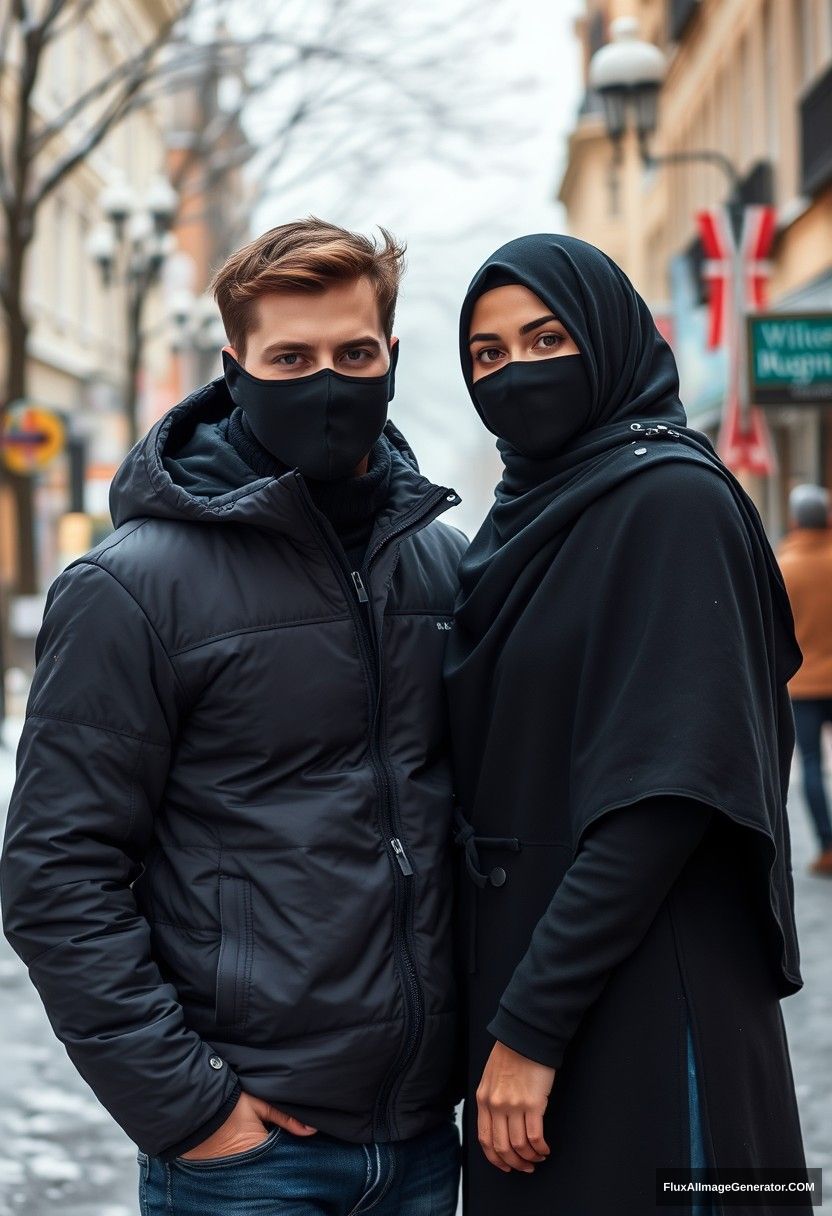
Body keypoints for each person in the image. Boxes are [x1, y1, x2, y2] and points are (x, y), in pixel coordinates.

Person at [1, 218, 466, 1216]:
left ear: (391, 357)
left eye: (355, 354)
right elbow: (56, 874)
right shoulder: (131, 588)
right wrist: (192, 1112)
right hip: (250, 1158)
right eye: (290, 359)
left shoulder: (440, 564)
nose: (329, 383)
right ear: (234, 367)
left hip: (426, 1141)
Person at [444, 233, 810, 1216]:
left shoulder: (671, 502)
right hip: (552, 996)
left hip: (650, 1002)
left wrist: (527, 1030)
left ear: (609, 339)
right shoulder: (534, 514)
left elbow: (665, 796)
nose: (514, 370)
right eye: (486, 353)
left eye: (545, 336)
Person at [777, 483, 832, 875]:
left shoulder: (783, 567)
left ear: (795, 519)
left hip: (804, 683)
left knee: (811, 763)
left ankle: (828, 847)